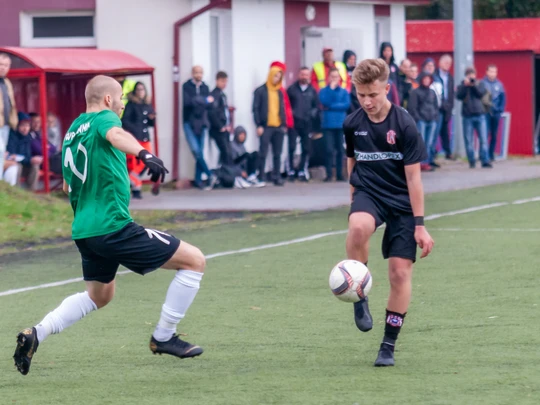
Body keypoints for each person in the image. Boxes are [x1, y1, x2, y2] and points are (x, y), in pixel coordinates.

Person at [13, 75, 206, 376]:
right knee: (194, 261)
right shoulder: (104, 119)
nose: (122, 104)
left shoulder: (72, 131)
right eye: (120, 99)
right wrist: (144, 153)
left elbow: (66, 186)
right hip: (112, 225)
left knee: (100, 296)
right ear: (106, 100)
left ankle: (36, 333)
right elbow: (115, 134)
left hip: (85, 231)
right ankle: (164, 337)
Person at [343, 58, 434, 367]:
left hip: (402, 202)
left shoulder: (405, 124)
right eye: (360, 95)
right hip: (370, 192)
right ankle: (359, 292)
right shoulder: (352, 124)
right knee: (357, 227)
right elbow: (351, 160)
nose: (367, 102)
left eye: (373, 94)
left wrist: (419, 225)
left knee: (399, 272)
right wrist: (353, 197)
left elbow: (414, 179)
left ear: (387, 89)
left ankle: (387, 345)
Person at [183, 66, 218, 190]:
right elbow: (188, 102)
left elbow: (211, 104)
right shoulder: (186, 86)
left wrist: (200, 101)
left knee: (200, 153)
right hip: (189, 123)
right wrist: (204, 100)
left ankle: (198, 181)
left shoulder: (205, 87)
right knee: (196, 151)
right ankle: (209, 175)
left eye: (200, 73)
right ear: (192, 74)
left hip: (202, 123)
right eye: (196, 72)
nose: (198, 75)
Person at [252, 64, 287, 186]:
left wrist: (284, 124)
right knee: (263, 152)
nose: (277, 79)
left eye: (279, 77)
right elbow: (255, 109)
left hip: (278, 126)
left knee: (277, 154)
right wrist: (258, 125)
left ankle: (276, 176)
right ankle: (261, 176)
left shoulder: (279, 92)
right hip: (265, 126)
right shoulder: (260, 91)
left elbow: (282, 108)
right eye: (275, 76)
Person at [122, 81, 157, 199]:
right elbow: (125, 121)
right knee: (134, 164)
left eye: (142, 89)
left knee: (147, 161)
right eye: (138, 89)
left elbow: (151, 123)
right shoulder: (131, 105)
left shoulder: (147, 104)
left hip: (145, 137)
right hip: (135, 138)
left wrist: (152, 118)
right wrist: (135, 129)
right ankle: (136, 189)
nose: (140, 92)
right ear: (135, 91)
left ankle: (131, 179)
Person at [286, 67, 319, 182]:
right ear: (298, 75)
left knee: (306, 148)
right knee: (291, 147)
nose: (304, 77)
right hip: (294, 123)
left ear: (309, 76)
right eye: (302, 74)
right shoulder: (291, 89)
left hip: (307, 123)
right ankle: (290, 170)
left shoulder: (312, 90)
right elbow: (286, 105)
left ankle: (302, 170)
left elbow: (316, 106)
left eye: (306, 75)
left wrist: (312, 115)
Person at [456, 67, 492, 169]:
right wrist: (466, 86)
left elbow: (480, 94)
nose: (471, 77)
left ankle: (485, 160)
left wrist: (473, 85)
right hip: (467, 116)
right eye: (469, 75)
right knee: (469, 140)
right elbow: (459, 96)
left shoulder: (480, 83)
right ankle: (472, 161)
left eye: (472, 75)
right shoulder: (462, 85)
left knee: (483, 139)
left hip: (480, 114)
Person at [319, 68, 350, 182]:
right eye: (332, 76)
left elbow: (346, 105)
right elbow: (324, 101)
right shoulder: (324, 91)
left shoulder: (344, 91)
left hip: (340, 124)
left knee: (340, 150)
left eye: (336, 77)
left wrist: (332, 106)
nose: (334, 79)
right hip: (328, 124)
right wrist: (331, 90)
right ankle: (328, 174)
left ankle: (339, 174)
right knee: (328, 149)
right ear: (328, 78)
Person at [407, 72, 439, 172]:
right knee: (421, 142)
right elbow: (412, 108)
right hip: (421, 121)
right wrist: (418, 119)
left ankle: (427, 162)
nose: (426, 80)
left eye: (428, 79)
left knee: (429, 143)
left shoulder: (432, 92)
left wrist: (435, 117)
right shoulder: (415, 92)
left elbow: (436, 106)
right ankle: (420, 163)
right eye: (425, 78)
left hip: (432, 120)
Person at [7, 112, 42, 190]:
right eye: (23, 125)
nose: (26, 128)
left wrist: (31, 160)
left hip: (24, 164)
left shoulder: (27, 137)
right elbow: (12, 155)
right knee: (17, 166)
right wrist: (28, 159)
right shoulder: (11, 136)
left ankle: (31, 194)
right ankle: (17, 193)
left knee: (35, 167)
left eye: (28, 125)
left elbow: (27, 155)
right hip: (12, 165)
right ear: (17, 125)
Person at [481, 64, 506, 162]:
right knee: (484, 134)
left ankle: (491, 154)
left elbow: (503, 98)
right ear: (487, 72)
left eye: (494, 71)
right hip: (486, 113)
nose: (492, 73)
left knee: (494, 134)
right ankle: (483, 154)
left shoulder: (499, 85)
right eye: (490, 71)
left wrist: (500, 109)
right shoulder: (482, 83)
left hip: (495, 114)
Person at [0, 53, 18, 183]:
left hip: (5, 124)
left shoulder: (7, 82)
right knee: (0, 150)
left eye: (6, 65)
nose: (3, 67)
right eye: (1, 64)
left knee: (2, 152)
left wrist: (14, 121)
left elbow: (12, 104)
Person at [209, 71, 232, 165]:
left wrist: (227, 125)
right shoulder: (214, 95)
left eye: (226, 81)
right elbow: (212, 112)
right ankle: (226, 174)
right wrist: (220, 126)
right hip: (218, 129)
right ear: (217, 81)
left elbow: (225, 112)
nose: (224, 84)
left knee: (227, 152)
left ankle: (226, 173)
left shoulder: (223, 95)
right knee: (225, 152)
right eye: (222, 81)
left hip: (224, 128)